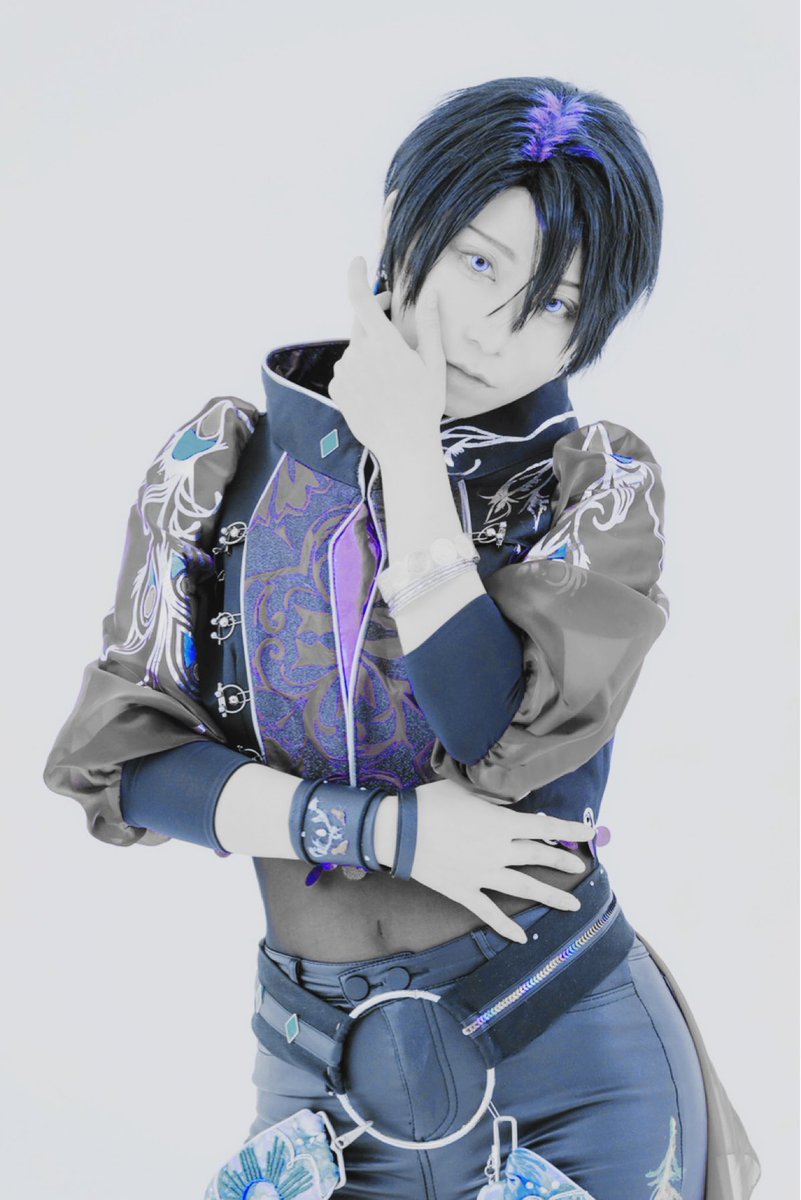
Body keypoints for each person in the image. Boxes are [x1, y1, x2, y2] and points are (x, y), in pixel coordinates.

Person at [43, 76, 761, 1199]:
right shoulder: (222, 465)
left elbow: (498, 745)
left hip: (570, 1065)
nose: (494, 329)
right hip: (317, 1091)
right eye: (478, 262)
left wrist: (413, 459)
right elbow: (122, 767)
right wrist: (390, 831)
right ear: (398, 226)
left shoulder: (595, 490)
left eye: (555, 305)